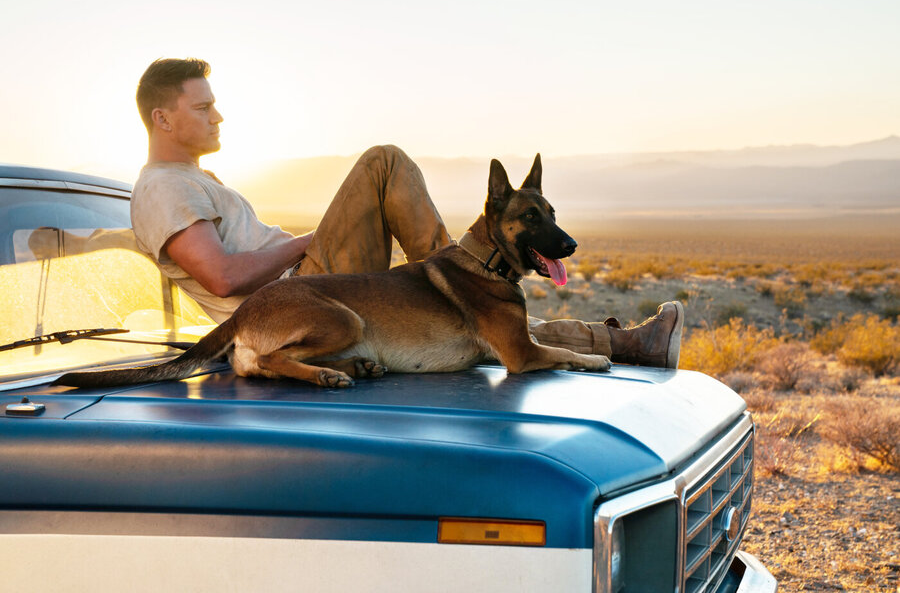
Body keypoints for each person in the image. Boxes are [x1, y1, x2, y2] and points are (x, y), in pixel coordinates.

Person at [131, 57, 684, 369]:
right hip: (300, 297)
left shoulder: (192, 181)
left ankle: (625, 342)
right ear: (162, 118)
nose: (218, 116)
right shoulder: (163, 188)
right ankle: (475, 269)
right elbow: (222, 277)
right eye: (202, 108)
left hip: (310, 291)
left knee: (481, 320)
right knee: (383, 163)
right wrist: (306, 241)